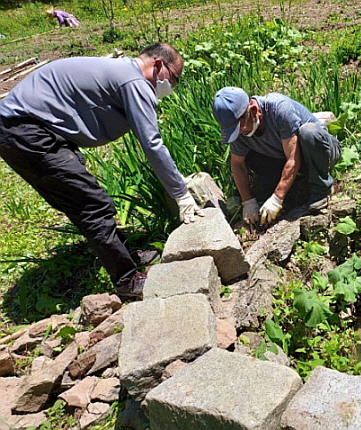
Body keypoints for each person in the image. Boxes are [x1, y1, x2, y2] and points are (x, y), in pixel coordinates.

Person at [0, 42, 201, 298]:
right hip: (27, 131)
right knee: (92, 203)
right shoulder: (134, 81)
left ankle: (124, 253)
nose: (171, 86)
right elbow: (151, 143)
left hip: (28, 129)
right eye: (173, 78)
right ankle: (126, 280)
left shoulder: (124, 73)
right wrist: (180, 193)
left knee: (83, 198)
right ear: (158, 65)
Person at [212, 87, 341, 225]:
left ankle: (321, 189)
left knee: (308, 132)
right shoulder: (239, 131)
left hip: (320, 153)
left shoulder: (279, 109)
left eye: (240, 127)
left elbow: (293, 157)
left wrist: (277, 197)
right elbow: (237, 164)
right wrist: (247, 201)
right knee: (248, 155)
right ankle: (288, 192)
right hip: (287, 160)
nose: (239, 132)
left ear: (253, 110)